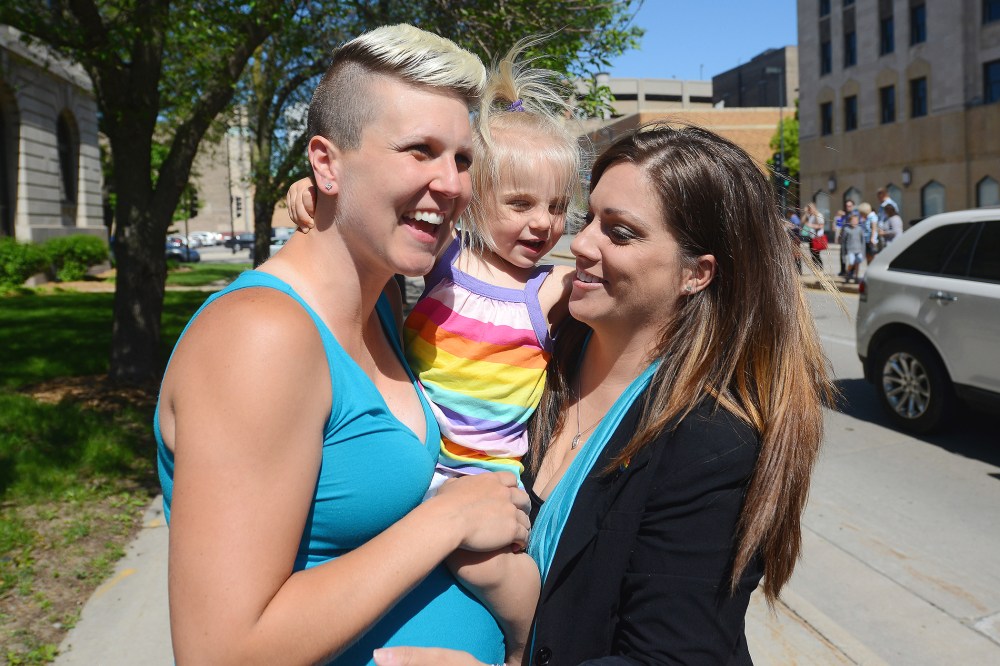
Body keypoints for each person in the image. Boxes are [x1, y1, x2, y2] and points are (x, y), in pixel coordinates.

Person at [373, 123, 834, 665]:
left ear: (696, 273)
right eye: (589, 217)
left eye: (620, 232)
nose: (580, 242)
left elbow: (670, 658)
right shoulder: (542, 345)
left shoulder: (711, 441)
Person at [156, 25, 532, 666]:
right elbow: (219, 653)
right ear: (326, 163)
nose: (451, 185)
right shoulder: (260, 337)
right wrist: (447, 520)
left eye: (462, 158)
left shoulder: (381, 300)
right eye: (419, 150)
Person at [288, 40, 582, 664]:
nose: (543, 224)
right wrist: (309, 190)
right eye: (521, 204)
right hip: (428, 459)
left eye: (557, 208)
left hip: (488, 472)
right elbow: (376, 214)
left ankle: (527, 641)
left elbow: (605, 278)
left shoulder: (546, 292)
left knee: (488, 572)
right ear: (477, 201)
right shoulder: (445, 259)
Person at [841, 210, 866, 282]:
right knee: (851, 262)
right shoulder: (846, 229)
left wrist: (863, 251)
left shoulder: (860, 229)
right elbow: (843, 242)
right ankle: (847, 273)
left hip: (858, 249)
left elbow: (862, 241)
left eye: (856, 221)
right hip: (850, 249)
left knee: (857, 263)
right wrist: (844, 252)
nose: (854, 222)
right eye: (853, 221)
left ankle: (856, 277)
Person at [803, 201, 827, 269]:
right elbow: (803, 221)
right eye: (809, 209)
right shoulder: (810, 215)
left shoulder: (819, 215)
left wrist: (811, 225)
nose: (810, 210)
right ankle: (816, 269)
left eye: (810, 208)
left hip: (817, 237)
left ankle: (820, 268)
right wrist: (806, 213)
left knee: (816, 254)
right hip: (811, 237)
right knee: (812, 254)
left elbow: (821, 226)